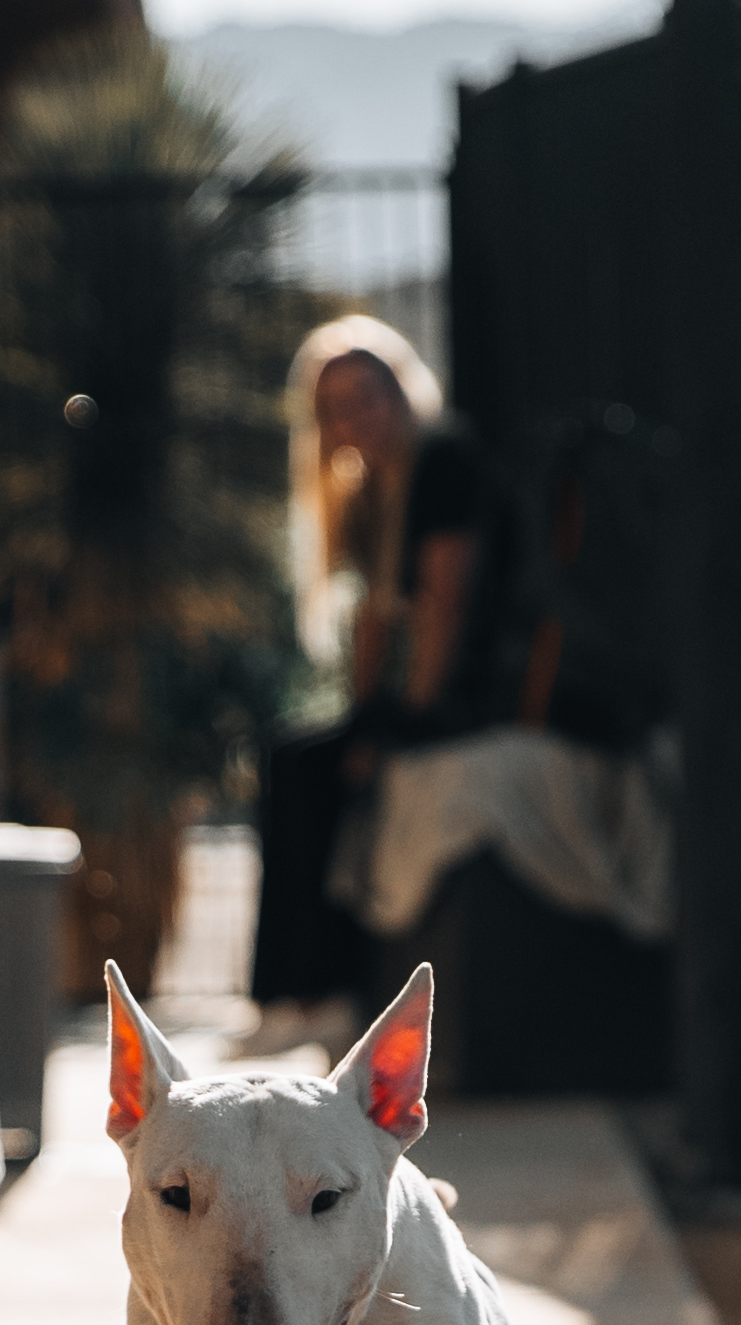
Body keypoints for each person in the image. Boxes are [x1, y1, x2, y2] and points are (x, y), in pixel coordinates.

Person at [247, 320, 530, 1042]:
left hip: (474, 692)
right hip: (417, 694)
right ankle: (292, 996)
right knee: (291, 755)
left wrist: (404, 722)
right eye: (335, 407)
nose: (354, 417)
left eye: (365, 397)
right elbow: (376, 618)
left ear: (401, 389)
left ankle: (325, 990)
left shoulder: (443, 460)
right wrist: (365, 715)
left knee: (316, 772)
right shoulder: (375, 488)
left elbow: (445, 604)